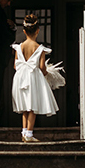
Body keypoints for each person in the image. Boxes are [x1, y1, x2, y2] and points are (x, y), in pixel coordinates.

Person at [12, 12, 58, 142]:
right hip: (33, 78)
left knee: (25, 107)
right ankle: (29, 134)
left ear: (24, 31)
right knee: (32, 106)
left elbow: (16, 65)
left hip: (20, 78)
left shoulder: (18, 47)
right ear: (37, 31)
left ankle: (24, 132)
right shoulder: (39, 48)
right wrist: (47, 74)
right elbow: (42, 67)